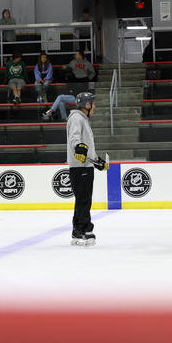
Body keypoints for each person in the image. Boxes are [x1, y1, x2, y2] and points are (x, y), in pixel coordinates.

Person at [66, 91, 106, 245]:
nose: (94, 106)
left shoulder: (82, 119)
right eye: (92, 103)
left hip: (84, 165)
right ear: (87, 105)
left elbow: (86, 145)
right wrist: (78, 148)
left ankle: (77, 231)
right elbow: (75, 139)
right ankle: (86, 230)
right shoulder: (77, 118)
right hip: (80, 166)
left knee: (81, 199)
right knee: (84, 200)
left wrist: (96, 160)